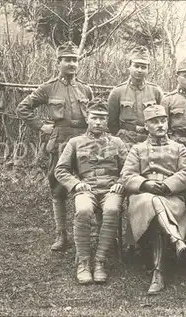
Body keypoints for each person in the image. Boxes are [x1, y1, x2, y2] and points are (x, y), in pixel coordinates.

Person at [16, 41, 93, 251]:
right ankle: (62, 235)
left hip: (84, 144)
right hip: (60, 142)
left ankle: (85, 234)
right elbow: (23, 108)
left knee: (87, 186)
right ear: (58, 62)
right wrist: (42, 126)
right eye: (67, 60)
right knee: (58, 187)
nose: (72, 64)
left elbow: (94, 116)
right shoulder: (49, 88)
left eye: (75, 60)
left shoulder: (86, 89)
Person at [119, 105, 186, 295]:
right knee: (153, 201)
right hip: (143, 196)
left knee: (157, 203)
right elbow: (126, 175)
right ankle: (176, 241)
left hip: (171, 196)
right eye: (154, 122)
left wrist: (168, 184)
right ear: (146, 126)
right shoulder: (137, 149)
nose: (160, 125)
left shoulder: (179, 148)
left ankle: (158, 273)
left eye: (163, 121)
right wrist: (145, 184)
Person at [54, 98, 127, 284]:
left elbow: (129, 169)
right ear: (87, 117)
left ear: (107, 120)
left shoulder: (117, 142)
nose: (98, 122)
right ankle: (84, 263)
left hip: (111, 189)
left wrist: (121, 182)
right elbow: (60, 170)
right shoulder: (75, 142)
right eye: (94, 117)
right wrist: (76, 184)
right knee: (84, 210)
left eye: (102, 118)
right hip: (86, 189)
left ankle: (100, 261)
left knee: (111, 210)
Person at [107, 46, 163, 146]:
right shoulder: (117, 92)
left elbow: (163, 119)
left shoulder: (156, 91)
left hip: (150, 138)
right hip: (125, 139)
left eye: (143, 67)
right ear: (130, 66)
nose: (139, 70)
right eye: (136, 66)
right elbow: (111, 122)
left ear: (148, 69)